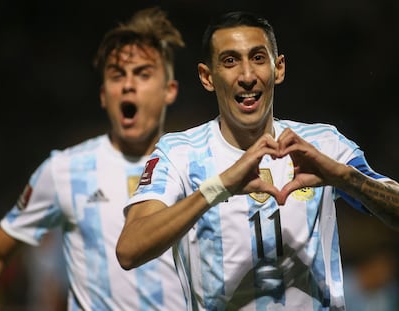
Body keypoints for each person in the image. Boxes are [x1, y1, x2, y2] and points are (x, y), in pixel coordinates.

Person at [116, 10, 399, 310]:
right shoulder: (180, 153)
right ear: (207, 77)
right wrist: (218, 187)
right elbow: (130, 249)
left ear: (279, 69)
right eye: (230, 61)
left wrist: (345, 178)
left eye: (258, 58)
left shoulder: (322, 144)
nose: (247, 76)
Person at [0, 6, 187, 310]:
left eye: (143, 74)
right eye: (117, 75)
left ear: (169, 90)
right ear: (104, 94)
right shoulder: (65, 170)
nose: (129, 84)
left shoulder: (196, 165)